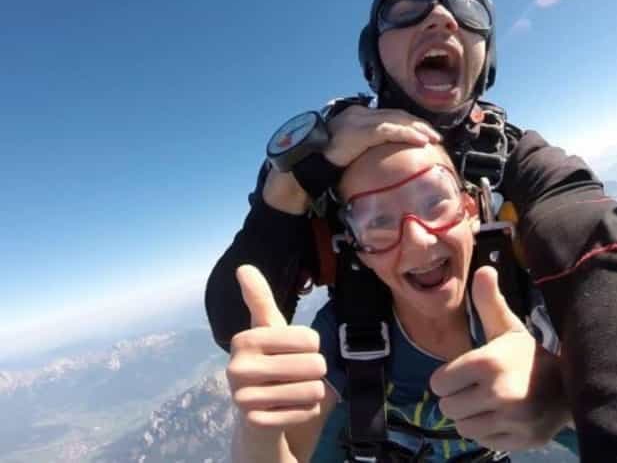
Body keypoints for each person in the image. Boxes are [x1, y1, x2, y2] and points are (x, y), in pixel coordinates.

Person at [207, 0, 617, 462]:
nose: (441, 17)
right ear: (374, 53)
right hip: (366, 386)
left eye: (467, 11)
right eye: (405, 8)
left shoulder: (518, 158)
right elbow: (240, 321)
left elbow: (594, 237)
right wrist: (296, 182)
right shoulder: (319, 161)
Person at [227, 142, 577, 462]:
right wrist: (258, 427)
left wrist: (563, 398)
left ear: (471, 210)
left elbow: (612, 416)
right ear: (358, 249)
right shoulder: (347, 330)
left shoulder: (537, 312)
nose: (418, 241)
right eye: (378, 221)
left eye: (434, 202)